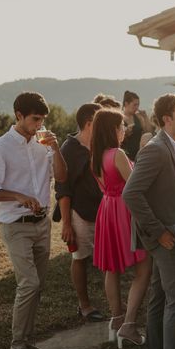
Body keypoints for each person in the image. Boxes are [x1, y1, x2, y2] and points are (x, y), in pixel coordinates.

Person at [0, 92, 67, 349]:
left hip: (41, 224)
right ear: (19, 115)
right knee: (29, 283)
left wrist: (57, 149)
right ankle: (17, 346)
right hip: (15, 226)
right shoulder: (1, 147)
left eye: (42, 119)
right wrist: (18, 197)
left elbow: (62, 177)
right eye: (34, 119)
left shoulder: (44, 143)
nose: (39, 124)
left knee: (37, 286)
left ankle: (29, 341)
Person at [122, 93, 175, 349]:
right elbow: (132, 193)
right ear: (167, 119)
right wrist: (160, 232)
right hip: (170, 236)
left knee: (161, 296)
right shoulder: (156, 148)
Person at [91, 108, 152, 348]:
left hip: (107, 209)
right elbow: (136, 184)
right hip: (124, 210)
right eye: (121, 126)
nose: (125, 129)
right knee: (144, 267)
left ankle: (116, 320)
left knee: (112, 268)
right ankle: (128, 325)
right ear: (112, 130)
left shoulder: (96, 156)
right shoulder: (117, 153)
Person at [54, 102, 106, 322]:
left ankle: (115, 303)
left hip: (102, 211)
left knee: (107, 258)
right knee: (80, 258)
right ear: (88, 123)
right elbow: (63, 189)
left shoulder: (99, 145)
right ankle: (84, 306)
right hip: (79, 213)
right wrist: (66, 224)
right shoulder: (70, 148)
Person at [121, 90, 144, 161]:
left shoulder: (139, 117)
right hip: (125, 155)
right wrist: (125, 133)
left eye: (138, 105)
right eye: (134, 105)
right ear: (126, 104)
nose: (137, 107)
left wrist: (145, 118)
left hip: (139, 155)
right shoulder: (119, 118)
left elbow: (147, 132)